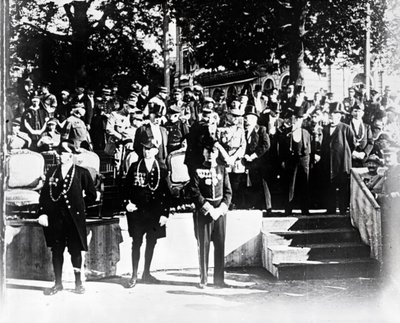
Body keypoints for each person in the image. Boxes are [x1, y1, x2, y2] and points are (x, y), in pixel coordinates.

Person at [37, 145, 97, 295]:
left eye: (62, 153)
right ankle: (58, 283)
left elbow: (92, 195)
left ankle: (78, 283)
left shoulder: (82, 172)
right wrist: (43, 213)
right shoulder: (52, 171)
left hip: (74, 220)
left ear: (70, 155)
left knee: (75, 252)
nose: (59, 156)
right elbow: (44, 195)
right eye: (59, 153)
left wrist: (80, 206)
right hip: (56, 219)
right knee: (56, 251)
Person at [124, 138, 170, 288]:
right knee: (136, 243)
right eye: (145, 149)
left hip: (154, 213)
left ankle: (146, 273)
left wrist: (165, 213)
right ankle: (134, 275)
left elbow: (166, 194)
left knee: (152, 242)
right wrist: (127, 203)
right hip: (137, 212)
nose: (146, 151)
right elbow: (124, 187)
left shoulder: (162, 169)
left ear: (156, 151)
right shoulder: (134, 167)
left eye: (150, 149)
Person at [188, 137, 232, 289]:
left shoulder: (222, 169)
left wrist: (220, 209)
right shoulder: (197, 169)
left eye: (213, 152)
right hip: (205, 213)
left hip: (219, 213)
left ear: (217, 153)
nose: (210, 155)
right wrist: (208, 208)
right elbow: (194, 191)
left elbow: (228, 192)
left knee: (220, 246)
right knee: (204, 246)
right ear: (204, 153)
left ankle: (219, 280)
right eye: (208, 152)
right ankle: (203, 279)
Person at [318, 108, 355, 214]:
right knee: (330, 185)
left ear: (339, 117)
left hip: (342, 162)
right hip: (329, 162)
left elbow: (352, 144)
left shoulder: (346, 128)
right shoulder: (325, 129)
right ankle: (331, 209)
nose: (333, 118)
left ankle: (343, 209)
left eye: (336, 116)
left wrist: (345, 154)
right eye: (332, 116)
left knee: (342, 185)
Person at [279, 107, 312, 215]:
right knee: (290, 185)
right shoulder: (287, 133)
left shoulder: (306, 133)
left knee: (305, 184)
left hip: (303, 160)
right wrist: (283, 161)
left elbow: (310, 149)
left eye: (300, 119)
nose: (298, 121)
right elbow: (282, 148)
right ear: (293, 119)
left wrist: (307, 162)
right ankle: (288, 209)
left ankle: (305, 209)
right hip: (291, 160)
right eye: (296, 118)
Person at [242, 105, 271, 210]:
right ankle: (256, 205)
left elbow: (266, 145)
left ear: (255, 119)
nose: (246, 121)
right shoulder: (244, 131)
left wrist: (254, 156)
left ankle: (268, 208)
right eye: (245, 119)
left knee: (262, 185)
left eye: (249, 118)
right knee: (253, 184)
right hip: (249, 163)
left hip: (260, 162)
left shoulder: (261, 129)